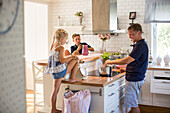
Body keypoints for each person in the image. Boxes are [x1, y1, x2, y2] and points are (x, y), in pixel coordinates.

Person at [104, 23, 149, 113]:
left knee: (133, 106)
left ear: (139, 32)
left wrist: (110, 61)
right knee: (133, 104)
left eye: (132, 34)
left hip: (134, 80)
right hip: (135, 78)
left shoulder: (140, 45)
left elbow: (128, 60)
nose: (130, 37)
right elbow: (136, 62)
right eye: (129, 34)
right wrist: (126, 69)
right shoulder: (140, 44)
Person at [44, 29, 81, 113]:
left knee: (55, 91)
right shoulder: (61, 47)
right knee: (76, 60)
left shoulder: (53, 45)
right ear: (61, 39)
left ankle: (53, 109)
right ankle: (72, 77)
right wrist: (72, 57)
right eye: (65, 39)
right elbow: (62, 60)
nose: (65, 41)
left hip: (54, 71)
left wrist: (69, 57)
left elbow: (57, 59)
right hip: (60, 72)